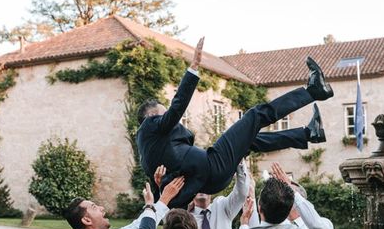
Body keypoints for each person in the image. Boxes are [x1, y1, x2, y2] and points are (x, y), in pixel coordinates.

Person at [136, 37, 332, 208]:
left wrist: (160, 184)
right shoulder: (149, 127)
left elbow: (159, 195)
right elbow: (176, 109)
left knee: (250, 140)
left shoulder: (147, 156)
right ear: (151, 116)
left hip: (212, 175)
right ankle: (313, 91)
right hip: (212, 165)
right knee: (254, 116)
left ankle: (308, 134)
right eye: (162, 114)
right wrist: (193, 69)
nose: (166, 119)